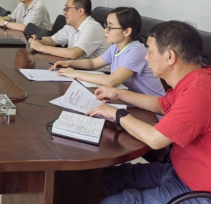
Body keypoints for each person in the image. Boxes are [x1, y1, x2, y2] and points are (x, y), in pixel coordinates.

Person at [87, 21, 211, 204]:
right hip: (179, 171)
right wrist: (118, 93)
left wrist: (116, 114)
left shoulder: (199, 92)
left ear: (170, 56)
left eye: (150, 51)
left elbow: (155, 139)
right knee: (110, 177)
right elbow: (161, 104)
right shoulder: (195, 79)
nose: (146, 58)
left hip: (198, 189)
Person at [49, 7, 165, 96]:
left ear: (127, 31)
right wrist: (69, 63)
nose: (105, 30)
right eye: (106, 25)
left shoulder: (136, 51)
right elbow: (93, 63)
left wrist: (75, 73)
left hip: (151, 112)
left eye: (110, 27)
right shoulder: (116, 47)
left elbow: (111, 81)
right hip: (130, 101)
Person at [29, 0, 109, 60]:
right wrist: (38, 40)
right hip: (78, 68)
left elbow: (73, 53)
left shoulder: (92, 27)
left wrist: (41, 48)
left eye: (67, 8)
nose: (64, 12)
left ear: (80, 11)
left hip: (98, 72)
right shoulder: (70, 26)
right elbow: (52, 40)